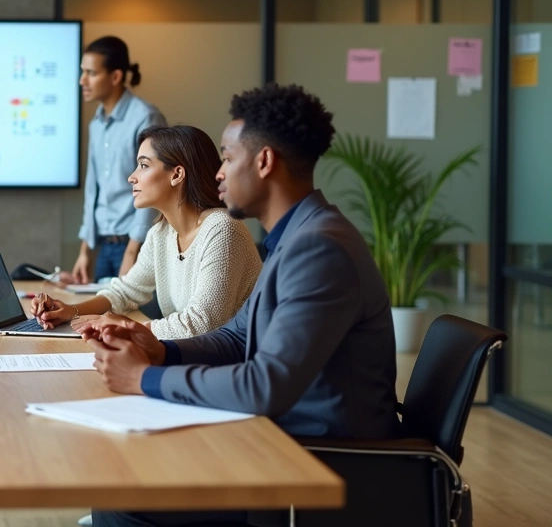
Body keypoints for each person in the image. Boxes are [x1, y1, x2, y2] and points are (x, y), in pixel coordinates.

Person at [83, 84, 401, 527]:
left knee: (123, 498)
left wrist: (145, 378)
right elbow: (238, 335)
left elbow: (264, 386)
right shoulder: (295, 238)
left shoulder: (318, 249)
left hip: (313, 461)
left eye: (228, 159)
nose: (216, 173)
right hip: (275, 438)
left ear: (264, 162)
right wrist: (161, 349)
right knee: (123, 475)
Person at [31, 125, 261, 341]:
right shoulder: (161, 233)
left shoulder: (222, 229)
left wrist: (125, 327)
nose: (132, 177)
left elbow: (202, 323)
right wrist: (71, 311)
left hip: (239, 365)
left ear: (177, 174)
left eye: (143, 165)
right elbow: (125, 292)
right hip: (199, 357)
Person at [74, 36, 167, 285]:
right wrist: (85, 250)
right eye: (83, 72)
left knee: (135, 322)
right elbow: (93, 188)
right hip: (105, 245)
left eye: (91, 73)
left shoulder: (145, 117)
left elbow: (155, 185)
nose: (82, 80)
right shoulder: (96, 124)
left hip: (136, 244)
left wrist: (133, 250)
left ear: (115, 77)